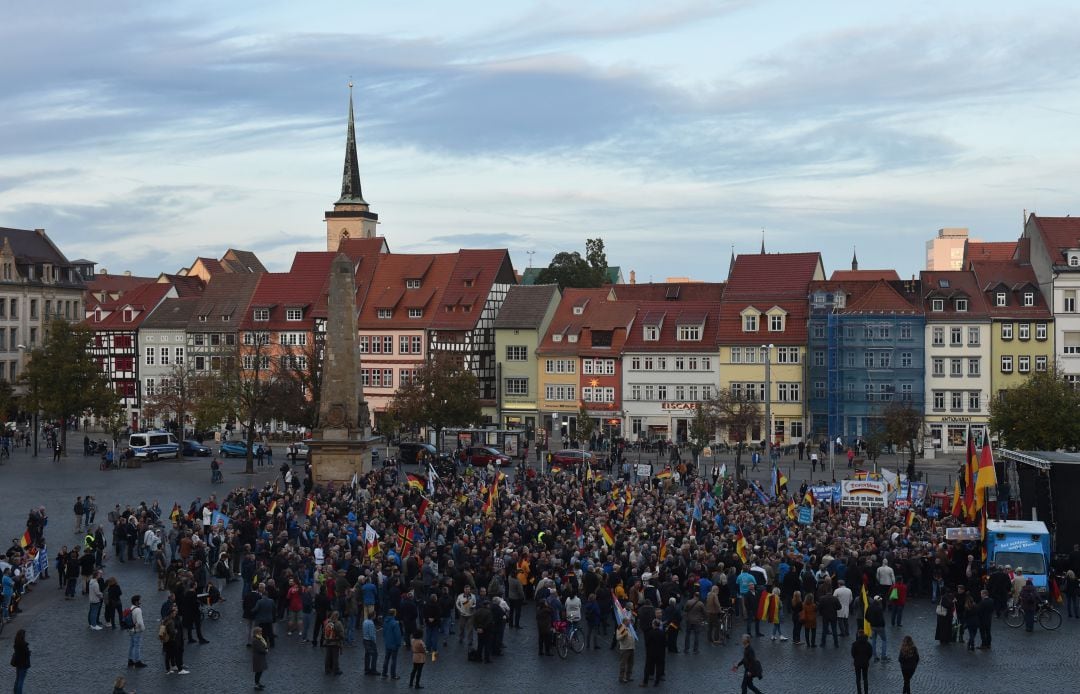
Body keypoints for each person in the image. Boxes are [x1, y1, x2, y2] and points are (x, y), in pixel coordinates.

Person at [642, 618, 666, 687]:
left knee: (647, 667)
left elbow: (647, 642)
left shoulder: (650, 633)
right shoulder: (662, 633)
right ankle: (657, 682)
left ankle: (645, 682)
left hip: (651, 653)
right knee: (659, 667)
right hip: (660, 653)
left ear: (654, 625)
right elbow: (665, 643)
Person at [382, 608, 403, 679]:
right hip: (394, 644)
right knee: (394, 660)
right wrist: (399, 643)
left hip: (387, 643)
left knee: (386, 658)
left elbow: (384, 632)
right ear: (394, 614)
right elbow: (398, 635)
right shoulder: (395, 623)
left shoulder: (385, 621)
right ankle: (393, 675)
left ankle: (384, 673)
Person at [128, 595, 147, 669]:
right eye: (139, 600)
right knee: (137, 646)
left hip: (131, 630)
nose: (140, 601)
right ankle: (137, 661)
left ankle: (130, 660)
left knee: (132, 645)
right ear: (136, 602)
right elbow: (140, 622)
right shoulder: (138, 610)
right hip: (137, 630)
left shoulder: (131, 608)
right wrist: (143, 629)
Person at [866, 595, 887, 661]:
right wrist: (883, 625)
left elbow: (866, 617)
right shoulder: (879, 608)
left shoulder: (869, 607)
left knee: (874, 641)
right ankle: (883, 656)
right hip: (880, 627)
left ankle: (874, 656)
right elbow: (881, 619)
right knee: (884, 640)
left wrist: (871, 622)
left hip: (872, 626)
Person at [323, 610, 344, 675]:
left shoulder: (327, 622)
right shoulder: (338, 623)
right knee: (335, 657)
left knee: (328, 656)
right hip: (335, 643)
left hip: (328, 642)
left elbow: (324, 631)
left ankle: (327, 669)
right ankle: (335, 670)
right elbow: (341, 634)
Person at [617, 616, 635, 683]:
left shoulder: (630, 627)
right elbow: (618, 638)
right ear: (625, 621)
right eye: (628, 621)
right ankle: (621, 678)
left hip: (631, 648)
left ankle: (628, 677)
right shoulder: (621, 627)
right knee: (623, 664)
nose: (630, 622)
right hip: (625, 648)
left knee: (631, 664)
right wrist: (623, 635)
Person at [10, 628, 29, 694]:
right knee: (20, 681)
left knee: (17, 679)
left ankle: (15, 692)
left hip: (18, 665)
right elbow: (25, 654)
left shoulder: (16, 644)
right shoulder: (23, 645)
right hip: (23, 665)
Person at [251, 626, 268, 691]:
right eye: (260, 631)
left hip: (259, 657)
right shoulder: (256, 640)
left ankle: (258, 683)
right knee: (258, 672)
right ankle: (256, 684)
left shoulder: (259, 638)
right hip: (258, 657)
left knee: (259, 671)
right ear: (256, 633)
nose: (261, 632)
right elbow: (260, 649)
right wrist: (265, 650)